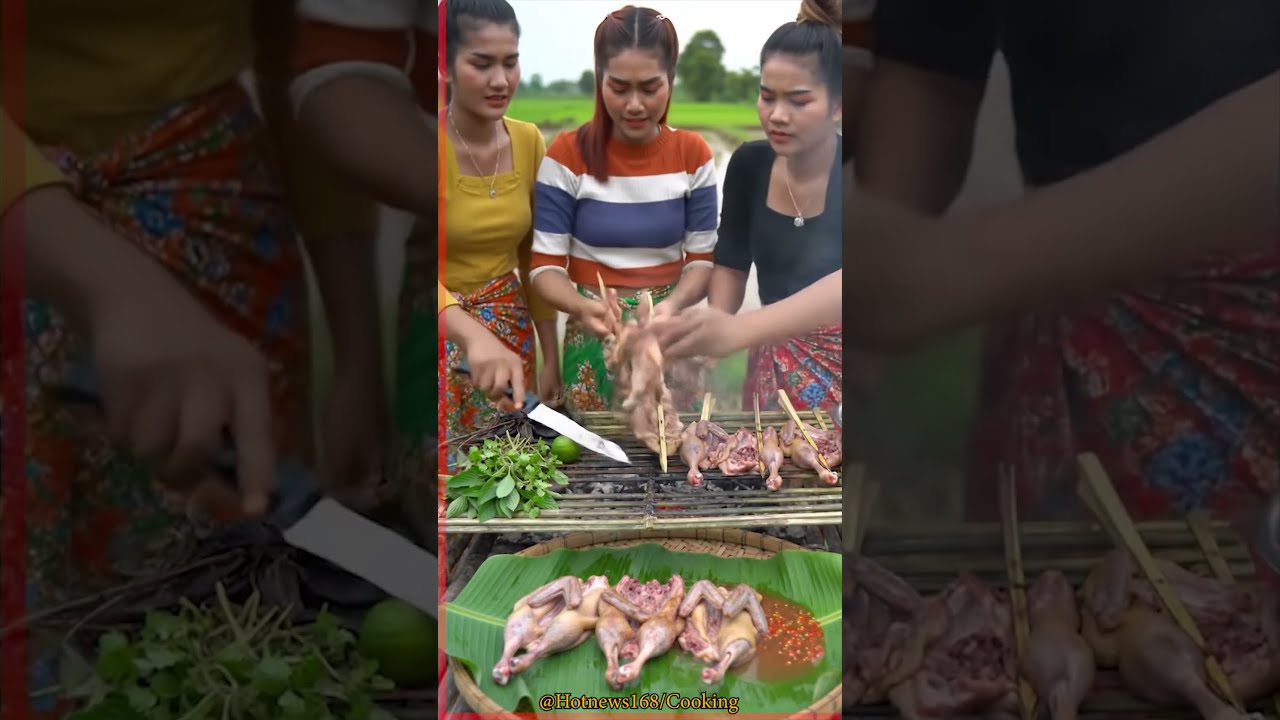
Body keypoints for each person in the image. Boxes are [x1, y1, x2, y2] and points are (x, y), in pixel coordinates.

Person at [854, 1, 1280, 566]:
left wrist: (947, 267)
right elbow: (933, 69)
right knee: (1066, 615)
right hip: (1068, 342)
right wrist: (863, 302)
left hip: (1239, 325)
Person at [1, 4, 326, 717]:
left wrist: (357, 351)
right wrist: (102, 278)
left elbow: (292, 44)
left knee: (256, 587)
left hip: (219, 198)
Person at [529, 5, 718, 413]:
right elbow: (544, 269)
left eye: (650, 88)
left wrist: (667, 309)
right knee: (595, 457)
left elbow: (701, 262)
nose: (634, 104)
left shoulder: (693, 154)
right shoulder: (566, 155)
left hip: (665, 335)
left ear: (671, 80)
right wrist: (583, 306)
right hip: (595, 338)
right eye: (619, 87)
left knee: (676, 452)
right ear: (599, 80)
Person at [704, 0, 842, 411]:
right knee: (767, 462)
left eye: (799, 101)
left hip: (851, 373)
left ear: (837, 104)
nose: (777, 115)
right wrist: (715, 328)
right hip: (770, 368)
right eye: (767, 97)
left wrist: (740, 329)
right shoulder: (749, 164)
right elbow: (730, 262)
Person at [435, 0, 560, 440]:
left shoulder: (527, 141)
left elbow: (534, 257)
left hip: (509, 331)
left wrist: (551, 357)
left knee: (510, 466)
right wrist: (469, 334)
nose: (500, 80)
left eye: (511, 63)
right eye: (482, 64)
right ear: (444, 64)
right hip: (442, 333)